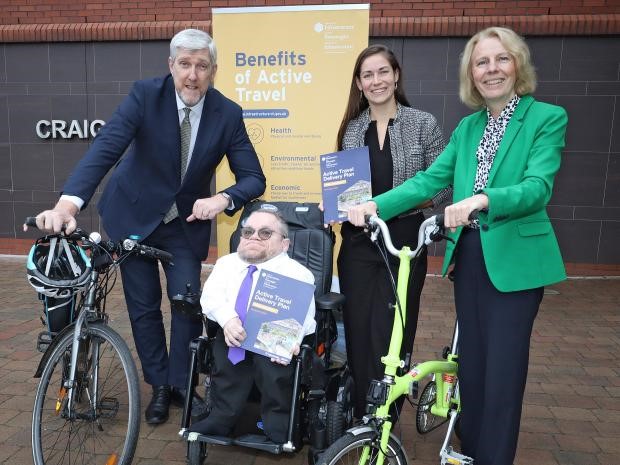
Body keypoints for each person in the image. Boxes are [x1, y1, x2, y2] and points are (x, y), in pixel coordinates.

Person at [348, 27, 567, 465]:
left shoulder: (546, 117)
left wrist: (484, 199)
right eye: (481, 62)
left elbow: (537, 188)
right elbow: (429, 180)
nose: (492, 70)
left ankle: (493, 457)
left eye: (501, 59)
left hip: (517, 263)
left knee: (502, 373)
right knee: (473, 367)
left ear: (518, 64)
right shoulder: (469, 127)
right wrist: (375, 204)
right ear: (471, 73)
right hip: (468, 257)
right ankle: (470, 448)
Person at [24, 28, 266, 425]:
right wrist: (66, 205)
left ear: (213, 71)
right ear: (171, 66)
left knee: (187, 303)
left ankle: (183, 383)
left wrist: (222, 199)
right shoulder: (144, 96)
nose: (192, 75)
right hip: (133, 216)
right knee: (143, 307)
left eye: (201, 66)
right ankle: (159, 387)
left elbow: (253, 177)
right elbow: (105, 149)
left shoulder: (228, 114)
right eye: (184, 64)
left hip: (185, 223)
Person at [335, 44, 450, 419]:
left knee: (393, 330)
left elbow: (443, 186)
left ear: (396, 75)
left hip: (404, 245)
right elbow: (345, 190)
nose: (376, 81)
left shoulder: (423, 123)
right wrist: (334, 205)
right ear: (358, 82)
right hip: (357, 246)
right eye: (367, 75)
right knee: (357, 328)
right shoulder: (351, 129)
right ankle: (360, 412)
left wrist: (400, 205)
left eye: (383, 72)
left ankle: (386, 411)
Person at [190, 207, 315, 443]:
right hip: (231, 339)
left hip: (272, 346)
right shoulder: (226, 264)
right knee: (224, 354)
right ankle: (221, 418)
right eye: (248, 232)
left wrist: (293, 340)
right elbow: (210, 297)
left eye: (265, 233)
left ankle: (279, 427)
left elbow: (307, 319)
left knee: (275, 365)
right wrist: (228, 319)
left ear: (284, 244)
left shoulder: (299, 274)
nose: (254, 237)